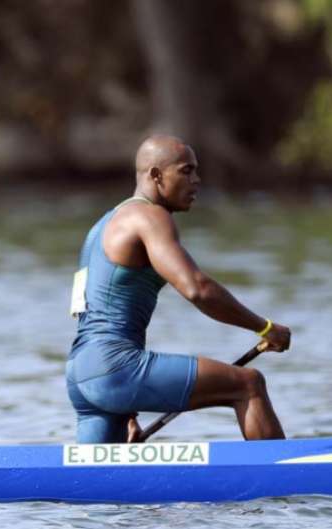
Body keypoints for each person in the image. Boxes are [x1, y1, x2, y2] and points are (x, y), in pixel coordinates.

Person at [66, 135, 291, 444]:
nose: (196, 181)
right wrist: (264, 327)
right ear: (156, 175)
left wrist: (128, 409)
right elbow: (197, 288)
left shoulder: (103, 226)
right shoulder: (150, 217)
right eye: (186, 171)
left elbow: (99, 316)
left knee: (92, 487)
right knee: (248, 384)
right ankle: (283, 480)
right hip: (115, 369)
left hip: (82, 375)